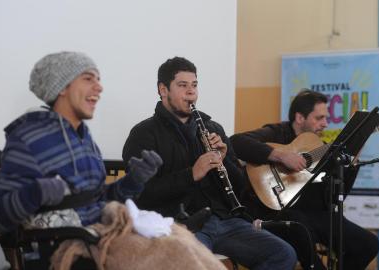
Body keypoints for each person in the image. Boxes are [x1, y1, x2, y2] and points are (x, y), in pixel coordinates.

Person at [122, 56, 297, 270]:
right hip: (180, 225)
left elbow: (241, 186)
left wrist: (225, 160)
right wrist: (191, 174)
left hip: (225, 221)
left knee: (283, 254)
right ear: (163, 89)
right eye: (182, 85)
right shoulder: (143, 134)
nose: (191, 92)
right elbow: (140, 194)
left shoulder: (213, 128)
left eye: (194, 85)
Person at [0, 52, 162, 265]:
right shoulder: (28, 139)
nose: (99, 87)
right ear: (62, 87)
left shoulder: (85, 139)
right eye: (88, 78)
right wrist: (34, 193)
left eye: (98, 80)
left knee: (178, 245)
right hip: (62, 255)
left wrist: (133, 181)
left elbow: (97, 200)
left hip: (99, 240)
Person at [230, 89, 379, 270]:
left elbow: (333, 199)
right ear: (300, 118)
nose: (325, 124)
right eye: (319, 118)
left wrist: (351, 160)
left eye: (326, 118)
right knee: (302, 233)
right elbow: (236, 142)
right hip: (275, 212)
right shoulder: (276, 132)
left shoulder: (321, 147)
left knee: (369, 244)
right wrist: (280, 156)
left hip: (314, 214)